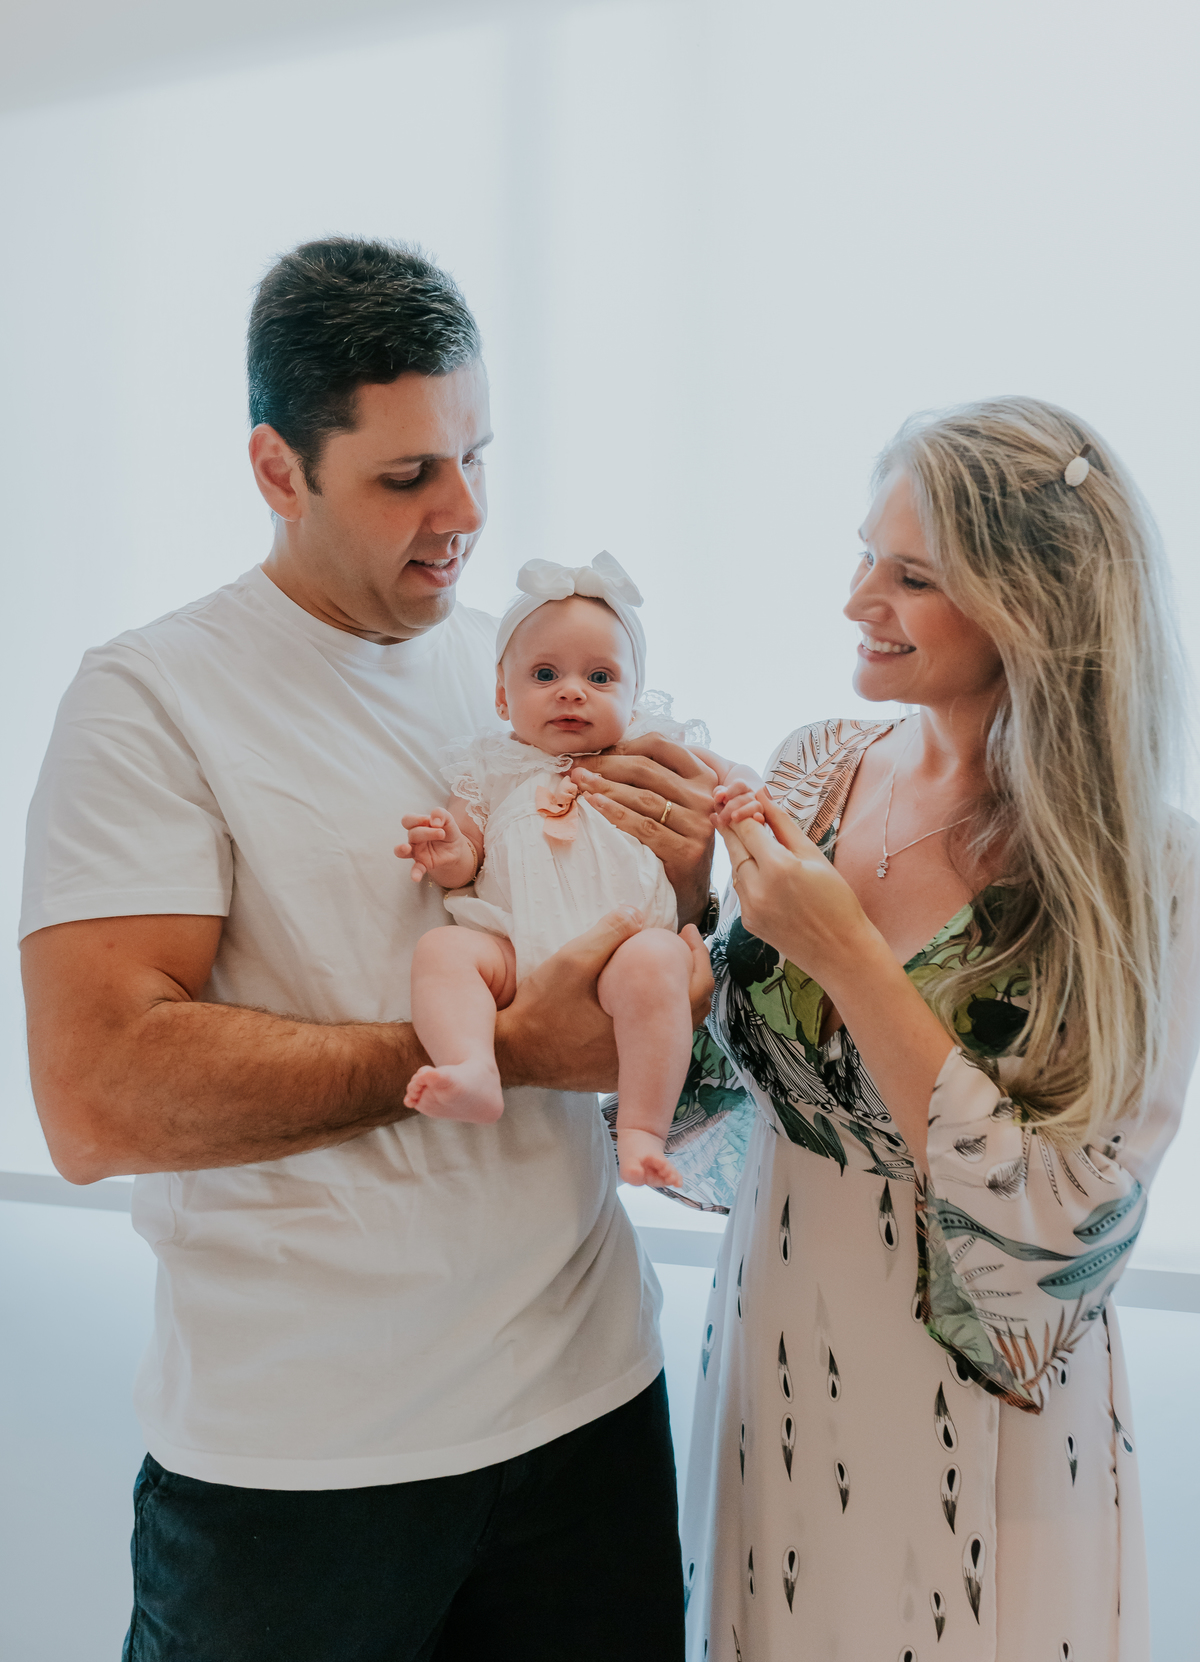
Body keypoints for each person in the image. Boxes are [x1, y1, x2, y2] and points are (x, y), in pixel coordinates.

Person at [18, 237, 719, 1662]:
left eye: (474, 454)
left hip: (586, 1418)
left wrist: (692, 889)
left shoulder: (530, 673)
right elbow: (96, 1097)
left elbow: (646, 943)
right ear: (279, 469)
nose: (463, 512)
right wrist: (494, 1051)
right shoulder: (150, 700)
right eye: (407, 476)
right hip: (302, 1478)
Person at [671, 398, 1200, 1661]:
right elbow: (724, 1095)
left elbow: (1071, 1221)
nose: (860, 600)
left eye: (912, 576)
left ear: (1032, 606)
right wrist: (673, 914)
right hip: (780, 1349)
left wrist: (848, 953)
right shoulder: (812, 771)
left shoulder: (1148, 875)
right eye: (865, 554)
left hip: (982, 1414)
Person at [398, 550, 760, 1186]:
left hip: (627, 944)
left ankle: (642, 1131)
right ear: (503, 698)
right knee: (443, 950)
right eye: (545, 674)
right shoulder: (490, 765)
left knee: (655, 966)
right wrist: (445, 848)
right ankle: (474, 1067)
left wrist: (739, 794)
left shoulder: (652, 744)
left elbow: (731, 778)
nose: (572, 690)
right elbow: (465, 859)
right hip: (517, 948)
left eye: (600, 677)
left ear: (634, 694)